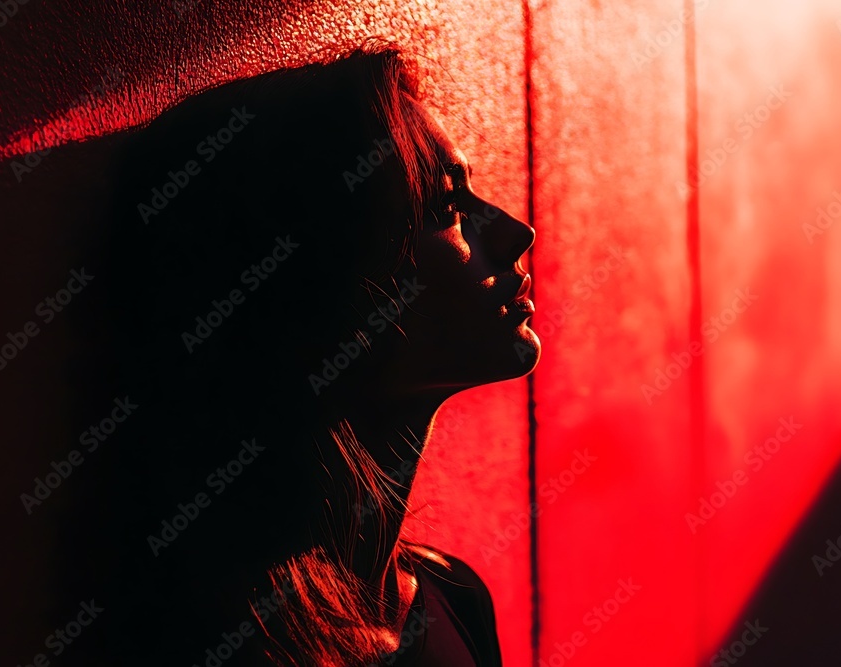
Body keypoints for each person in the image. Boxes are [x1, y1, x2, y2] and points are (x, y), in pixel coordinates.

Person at [88, 44, 540, 666]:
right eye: (442, 206)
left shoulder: (452, 596)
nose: (517, 233)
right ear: (323, 279)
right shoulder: (223, 646)